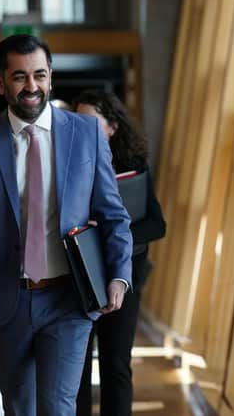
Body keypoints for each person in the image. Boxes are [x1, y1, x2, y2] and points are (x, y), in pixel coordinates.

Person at [0, 34, 133, 416]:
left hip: (69, 299)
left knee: (57, 407)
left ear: (51, 77)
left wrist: (119, 274)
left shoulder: (86, 134)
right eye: (20, 77)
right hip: (9, 299)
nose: (32, 86)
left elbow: (113, 214)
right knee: (19, 407)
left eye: (39, 75)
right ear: (2, 83)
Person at [73, 89, 166, 416]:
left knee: (116, 363)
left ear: (112, 127)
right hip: (78, 278)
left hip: (124, 277)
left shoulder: (133, 167)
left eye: (91, 122)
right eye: (78, 121)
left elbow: (157, 225)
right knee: (77, 369)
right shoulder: (68, 163)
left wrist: (115, 231)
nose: (83, 128)